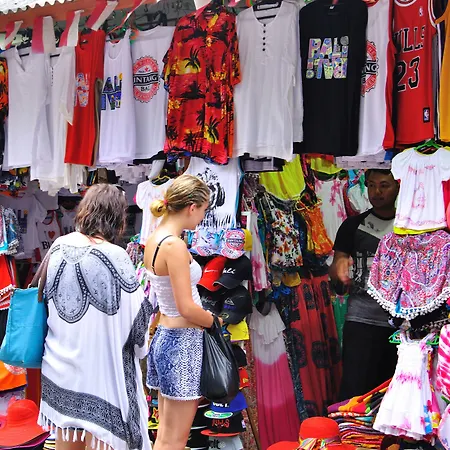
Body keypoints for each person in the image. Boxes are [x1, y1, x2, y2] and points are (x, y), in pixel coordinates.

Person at [38, 184, 152, 450]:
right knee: (107, 438)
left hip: (60, 365)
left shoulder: (58, 245)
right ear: (117, 217)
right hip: (101, 373)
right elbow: (137, 320)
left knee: (68, 436)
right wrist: (141, 345)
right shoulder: (115, 255)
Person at [145, 174, 223, 450]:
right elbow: (186, 307)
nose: (202, 217)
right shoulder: (173, 245)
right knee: (176, 439)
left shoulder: (155, 239)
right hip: (182, 342)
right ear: (192, 207)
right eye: (203, 210)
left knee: (165, 437)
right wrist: (214, 321)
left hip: (166, 336)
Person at [329, 169, 400, 400]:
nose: (376, 192)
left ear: (398, 186)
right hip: (361, 319)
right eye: (371, 185)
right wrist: (338, 269)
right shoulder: (353, 226)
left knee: (395, 391)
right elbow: (337, 266)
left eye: (384, 185)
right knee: (355, 390)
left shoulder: (409, 227)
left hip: (402, 323)